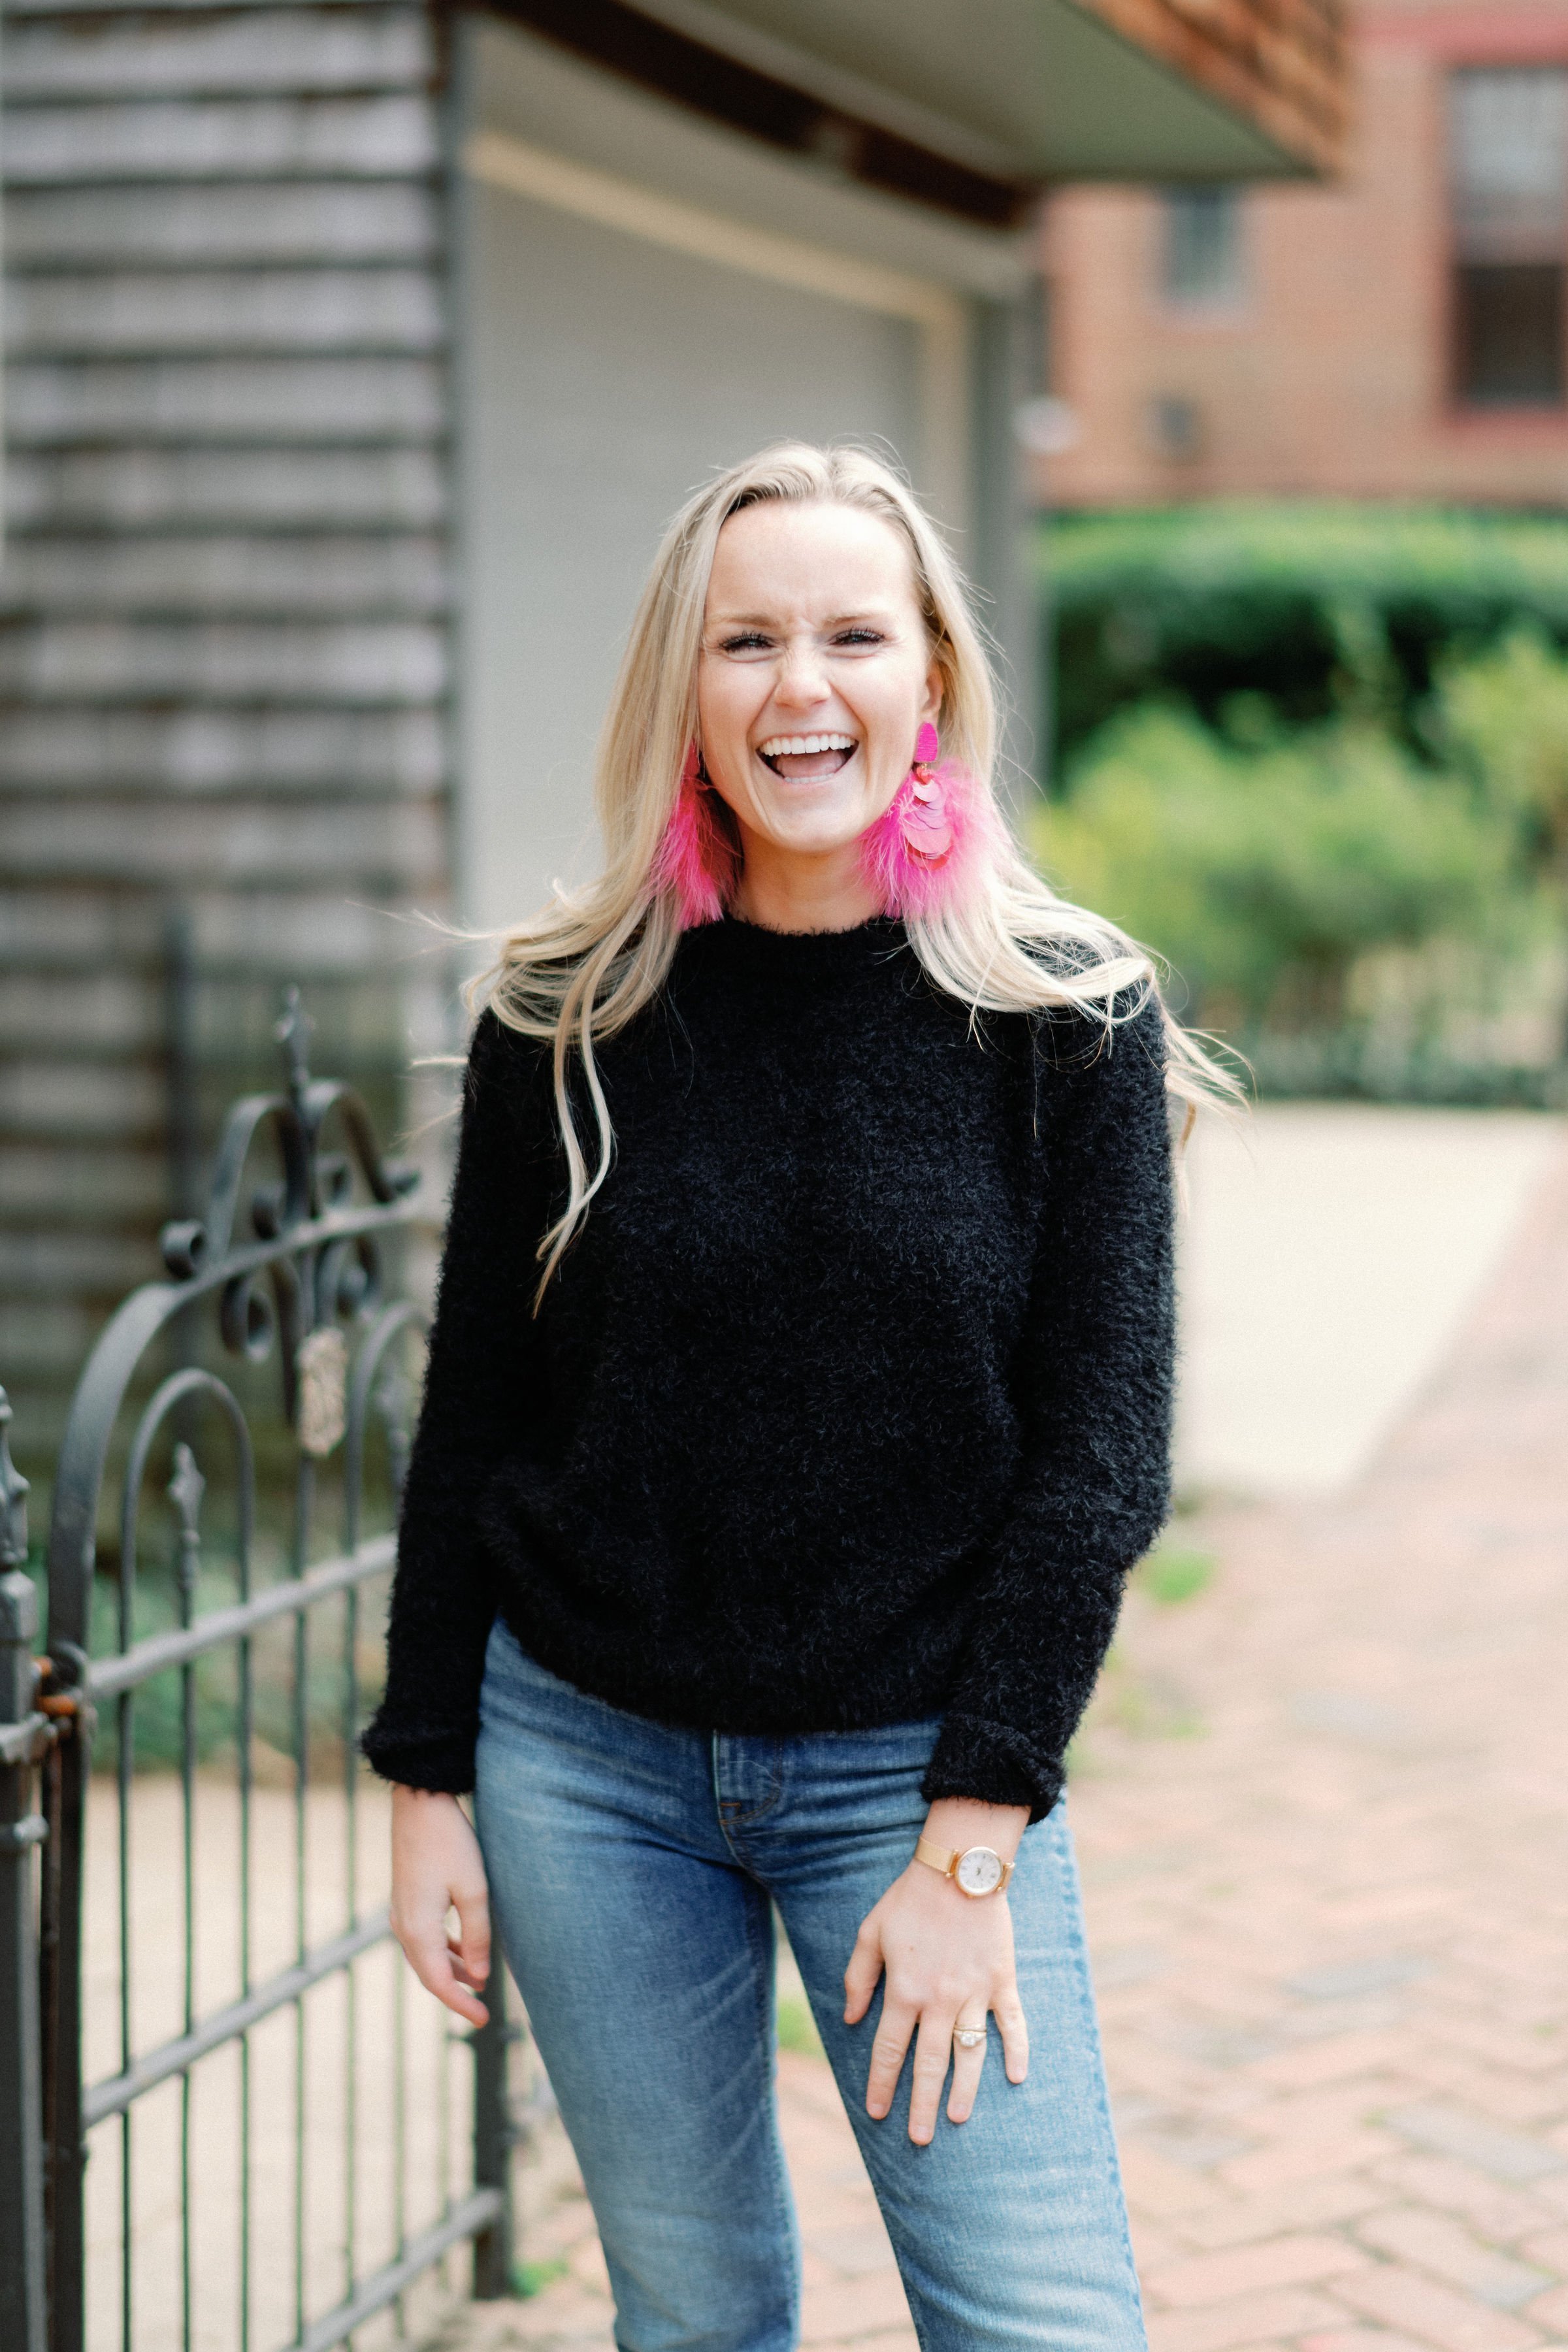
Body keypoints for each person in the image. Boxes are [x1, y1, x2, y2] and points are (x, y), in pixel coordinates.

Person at [363, 442, 1224, 2351]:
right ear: (687, 688)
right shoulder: (563, 1011)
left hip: (909, 1770)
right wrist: (430, 1777)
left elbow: (1097, 1465)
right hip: (585, 1765)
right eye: (745, 640)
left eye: (851, 633)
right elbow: (480, 1414)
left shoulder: (1064, 1018)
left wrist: (970, 1838)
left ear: (930, 677)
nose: (798, 686)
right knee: (696, 2315)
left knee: (1037, 2317)